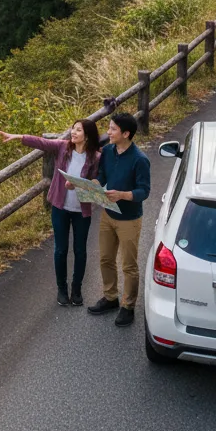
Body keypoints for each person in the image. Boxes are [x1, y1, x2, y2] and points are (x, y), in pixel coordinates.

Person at [0, 119, 100, 306]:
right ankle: (62, 290)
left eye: (78, 130)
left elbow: (96, 184)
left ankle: (76, 290)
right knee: (60, 250)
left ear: (87, 136)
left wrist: (79, 185)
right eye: (73, 128)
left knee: (80, 251)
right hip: (60, 208)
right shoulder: (63, 148)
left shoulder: (95, 157)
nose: (73, 132)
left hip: (81, 210)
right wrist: (19, 137)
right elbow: (42, 143)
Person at [86, 113, 150, 327]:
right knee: (105, 258)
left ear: (126, 133)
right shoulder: (108, 152)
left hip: (129, 219)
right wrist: (94, 183)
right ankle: (111, 297)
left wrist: (122, 194)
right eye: (109, 128)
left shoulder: (140, 160)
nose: (109, 132)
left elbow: (144, 191)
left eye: (113, 129)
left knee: (129, 265)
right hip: (108, 213)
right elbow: (103, 175)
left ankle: (128, 306)